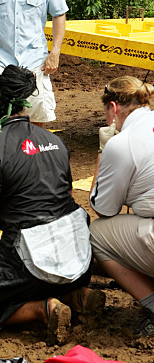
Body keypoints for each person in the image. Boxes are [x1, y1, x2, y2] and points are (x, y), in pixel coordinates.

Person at [0, 65, 105, 345]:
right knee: (16, 278)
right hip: (78, 257)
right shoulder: (55, 141)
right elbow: (64, 193)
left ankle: (43, 310)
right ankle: (76, 296)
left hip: (28, 255)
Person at [89, 76, 154, 337]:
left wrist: (103, 150)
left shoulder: (120, 143)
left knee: (97, 234)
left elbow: (103, 208)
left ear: (113, 108)